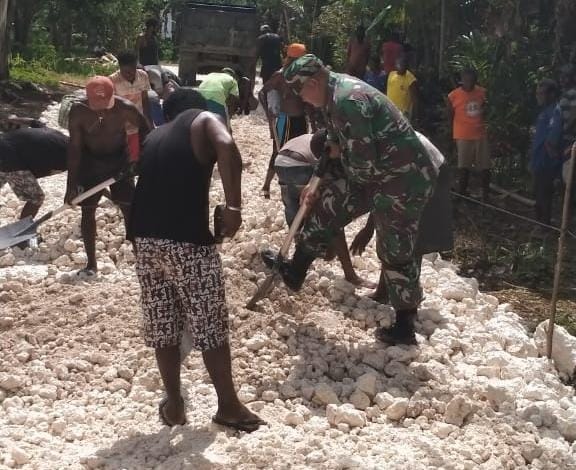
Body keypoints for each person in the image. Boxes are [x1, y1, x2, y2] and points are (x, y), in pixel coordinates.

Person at [262, 54, 437, 346]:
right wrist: (317, 181)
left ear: (315, 81)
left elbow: (362, 168)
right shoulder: (331, 97)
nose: (302, 99)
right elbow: (334, 142)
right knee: (325, 206)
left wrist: (330, 174)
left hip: (403, 177)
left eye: (302, 91)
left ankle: (405, 323)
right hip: (374, 171)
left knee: (394, 246)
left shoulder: (348, 101)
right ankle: (296, 270)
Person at [127, 88, 265, 431]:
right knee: (209, 322)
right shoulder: (203, 119)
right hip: (186, 243)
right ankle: (228, 406)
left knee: (164, 324)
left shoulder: (155, 135)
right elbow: (228, 147)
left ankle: (174, 404)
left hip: (144, 241)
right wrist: (234, 207)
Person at [65, 76, 151, 278]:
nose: (102, 110)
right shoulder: (77, 113)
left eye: (105, 104)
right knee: (87, 212)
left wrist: (139, 161)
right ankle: (91, 264)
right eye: (97, 105)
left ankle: (142, 260)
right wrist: (71, 185)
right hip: (90, 165)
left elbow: (146, 130)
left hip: (120, 163)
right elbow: (75, 149)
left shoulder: (125, 108)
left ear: (113, 96)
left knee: (130, 210)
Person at [271, 130, 375, 287]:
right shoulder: (333, 154)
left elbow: (384, 196)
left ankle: (298, 266)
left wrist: (369, 228)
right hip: (297, 163)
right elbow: (323, 173)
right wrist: (312, 185)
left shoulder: (361, 160)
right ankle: (297, 267)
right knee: (318, 213)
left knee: (321, 214)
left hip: (281, 162)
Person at [258, 43, 309, 198]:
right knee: (279, 153)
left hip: (301, 119)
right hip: (284, 120)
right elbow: (262, 92)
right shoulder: (281, 75)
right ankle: (267, 186)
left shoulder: (306, 75)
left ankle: (293, 187)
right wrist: (270, 114)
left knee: (300, 153)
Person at [0, 126, 68, 220]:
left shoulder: (59, 136)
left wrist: (15, 119)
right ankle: (21, 230)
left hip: (3, 145)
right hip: (11, 160)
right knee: (36, 198)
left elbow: (34, 122)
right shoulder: (72, 155)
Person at [447, 68, 490, 200]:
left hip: (480, 134)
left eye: (472, 80)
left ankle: (485, 194)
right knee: (463, 166)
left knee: (484, 167)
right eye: (466, 79)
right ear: (462, 80)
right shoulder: (453, 95)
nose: (469, 82)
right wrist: (452, 134)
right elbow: (449, 115)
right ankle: (462, 193)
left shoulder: (482, 92)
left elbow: (487, 110)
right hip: (463, 134)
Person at [531, 79, 563, 226]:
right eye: (537, 93)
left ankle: (544, 228)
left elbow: (553, 138)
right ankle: (541, 225)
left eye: (542, 93)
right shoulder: (544, 112)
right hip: (538, 160)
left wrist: (552, 157)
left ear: (552, 94)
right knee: (538, 194)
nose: (538, 96)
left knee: (545, 195)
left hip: (546, 161)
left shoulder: (555, 111)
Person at [109, 51, 152, 161]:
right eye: (127, 72)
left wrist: (148, 122)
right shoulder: (112, 80)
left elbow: (145, 100)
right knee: (125, 158)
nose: (131, 74)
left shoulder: (143, 76)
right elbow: (112, 106)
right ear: (120, 67)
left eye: (133, 70)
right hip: (123, 127)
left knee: (140, 155)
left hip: (139, 123)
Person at [559, 64, 576, 187]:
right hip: (564, 138)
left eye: (565, 77)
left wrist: (564, 130)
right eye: (561, 76)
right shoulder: (565, 93)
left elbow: (574, 115)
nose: (562, 79)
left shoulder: (573, 93)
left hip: (570, 138)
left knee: (569, 174)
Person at [386, 56, 418, 121]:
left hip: (403, 113)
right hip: (390, 109)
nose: (402, 67)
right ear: (396, 65)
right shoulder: (391, 75)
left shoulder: (410, 78)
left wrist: (415, 117)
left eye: (404, 65)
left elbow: (415, 99)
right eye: (399, 64)